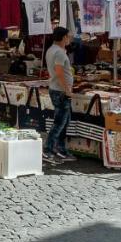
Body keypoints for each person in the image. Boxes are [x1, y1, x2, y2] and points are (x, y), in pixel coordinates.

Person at [43, 26, 75, 164]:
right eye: (68, 36)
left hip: (57, 89)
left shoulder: (52, 50)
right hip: (60, 91)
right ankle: (48, 150)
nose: (69, 39)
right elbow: (59, 71)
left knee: (64, 122)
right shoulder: (59, 53)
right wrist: (66, 88)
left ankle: (60, 149)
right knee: (59, 123)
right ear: (63, 38)